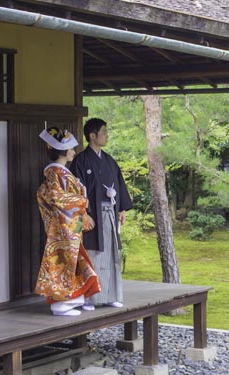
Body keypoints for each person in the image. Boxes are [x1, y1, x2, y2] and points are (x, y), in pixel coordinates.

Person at [35, 127, 100, 316]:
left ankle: (69, 300)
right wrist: (83, 208)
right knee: (64, 263)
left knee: (71, 262)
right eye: (71, 149)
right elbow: (57, 198)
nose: (73, 152)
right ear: (63, 152)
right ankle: (60, 302)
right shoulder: (57, 174)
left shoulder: (60, 173)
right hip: (62, 227)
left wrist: (81, 212)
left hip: (66, 225)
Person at [70, 118, 133, 310]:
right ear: (92, 135)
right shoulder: (81, 161)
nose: (106, 135)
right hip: (91, 217)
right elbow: (76, 190)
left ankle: (111, 295)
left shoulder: (109, 160)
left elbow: (119, 184)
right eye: (103, 132)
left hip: (110, 213)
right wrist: (84, 214)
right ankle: (90, 297)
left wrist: (121, 208)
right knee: (93, 254)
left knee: (112, 252)